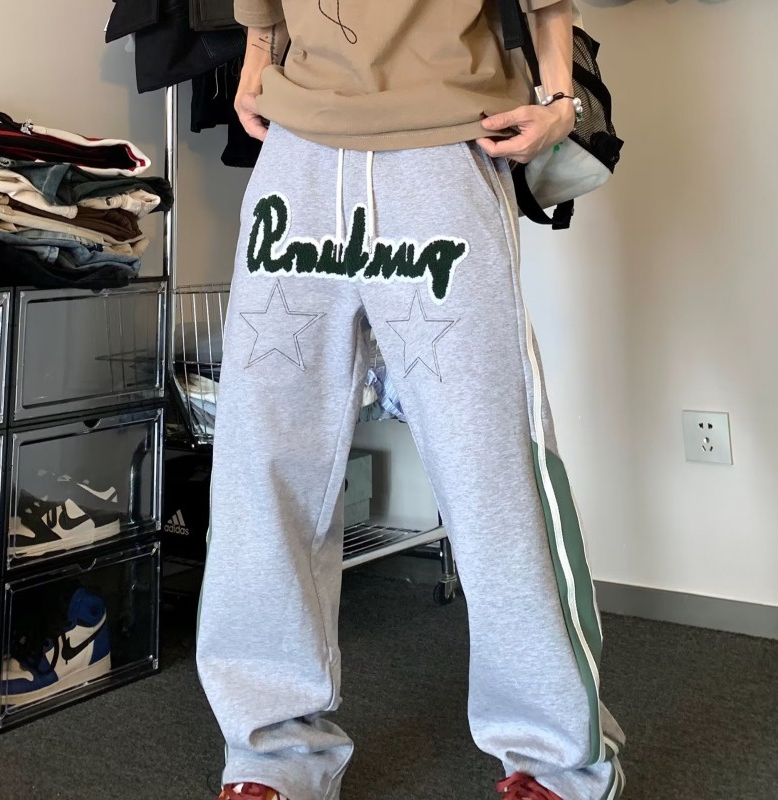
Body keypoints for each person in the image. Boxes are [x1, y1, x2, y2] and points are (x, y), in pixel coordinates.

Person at [196, 1, 626, 798]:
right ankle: (272, 752)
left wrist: (561, 98)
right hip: (298, 153)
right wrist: (257, 58)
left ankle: (556, 759)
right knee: (262, 461)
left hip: (444, 149)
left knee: (491, 465)